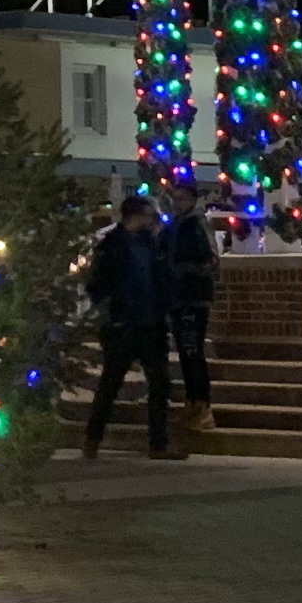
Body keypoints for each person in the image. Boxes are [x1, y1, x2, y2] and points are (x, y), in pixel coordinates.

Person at [80, 190, 183, 458]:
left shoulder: (151, 244)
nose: (152, 221)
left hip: (151, 323)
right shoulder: (112, 246)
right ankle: (93, 438)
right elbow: (97, 284)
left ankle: (158, 443)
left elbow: (161, 278)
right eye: (149, 215)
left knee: (159, 383)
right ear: (136, 216)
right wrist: (112, 314)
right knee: (111, 383)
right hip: (124, 323)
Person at [161, 194, 222, 417]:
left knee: (192, 350)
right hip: (177, 297)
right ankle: (193, 401)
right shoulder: (173, 226)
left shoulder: (197, 224)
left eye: (182, 197)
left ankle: (201, 403)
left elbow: (212, 260)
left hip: (193, 297)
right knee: (186, 353)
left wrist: (183, 272)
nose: (178, 202)